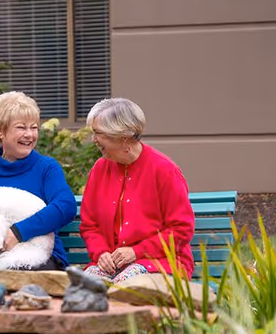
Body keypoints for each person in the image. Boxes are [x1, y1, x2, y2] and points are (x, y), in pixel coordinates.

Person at [0, 91, 77, 271]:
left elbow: (65, 206)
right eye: (21, 127)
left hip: (40, 256)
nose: (29, 135)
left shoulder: (46, 168)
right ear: (0, 130)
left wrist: (18, 232)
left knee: (16, 272)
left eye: (34, 127)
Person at [80, 98, 195, 284]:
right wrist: (101, 253)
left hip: (160, 262)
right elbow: (89, 225)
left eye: (98, 133)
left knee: (124, 286)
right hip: (112, 265)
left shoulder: (164, 170)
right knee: (85, 288)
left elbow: (181, 229)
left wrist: (137, 251)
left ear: (122, 136)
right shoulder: (100, 169)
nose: (94, 140)